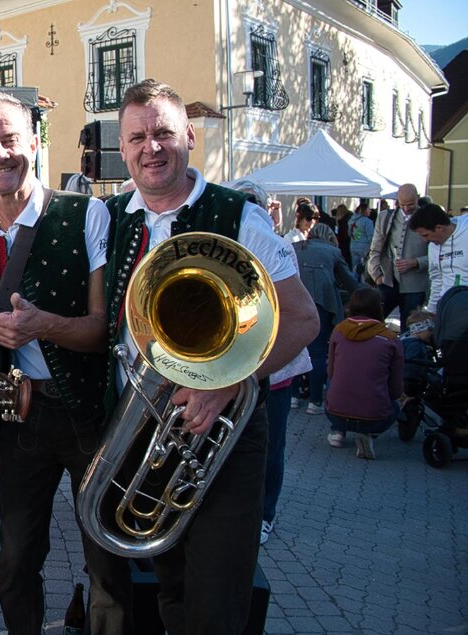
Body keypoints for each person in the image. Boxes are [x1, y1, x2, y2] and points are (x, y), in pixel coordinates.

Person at [98, 79, 317, 634]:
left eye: (164, 133)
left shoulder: (239, 216)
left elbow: (302, 320)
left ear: (189, 136)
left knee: (217, 602)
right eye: (137, 138)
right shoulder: (110, 216)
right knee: (170, 588)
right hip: (144, 433)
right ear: (122, 148)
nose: (151, 147)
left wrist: (227, 382)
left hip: (224, 436)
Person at [0, 91, 117, 634]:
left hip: (94, 415)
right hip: (21, 418)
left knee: (108, 564)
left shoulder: (85, 213)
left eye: (10, 139)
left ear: (35, 144)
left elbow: (103, 330)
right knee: (15, 563)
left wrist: (42, 325)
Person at [229, 180, 311, 546]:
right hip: (235, 363)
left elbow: (296, 313)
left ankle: (266, 514)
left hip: (275, 368)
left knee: (272, 446)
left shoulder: (277, 246)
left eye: (252, 204)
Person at [325, 287, 403, 459]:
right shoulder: (390, 338)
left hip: (335, 412)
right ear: (379, 307)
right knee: (395, 406)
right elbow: (396, 385)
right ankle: (368, 434)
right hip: (375, 416)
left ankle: (338, 431)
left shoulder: (339, 331)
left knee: (336, 378)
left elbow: (331, 371)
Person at [293, 223, 359, 415]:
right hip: (321, 302)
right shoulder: (333, 251)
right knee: (318, 352)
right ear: (330, 237)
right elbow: (350, 282)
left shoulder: (295, 247)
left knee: (295, 350)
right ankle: (315, 402)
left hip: (294, 301)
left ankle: (293, 397)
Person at [367, 183, 429, 322]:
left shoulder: (428, 218)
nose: (406, 209)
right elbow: (375, 248)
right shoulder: (385, 217)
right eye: (402, 205)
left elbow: (437, 256)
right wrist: (376, 275)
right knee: (373, 321)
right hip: (388, 281)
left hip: (416, 286)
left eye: (410, 204)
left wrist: (416, 262)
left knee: (410, 327)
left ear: (418, 198)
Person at [407, 203, 467, 312]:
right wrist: (431, 311)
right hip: (448, 308)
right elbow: (436, 280)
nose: (424, 240)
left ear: (439, 227)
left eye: (426, 235)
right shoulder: (433, 248)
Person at [348, 201, 375, 280]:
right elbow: (371, 236)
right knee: (364, 270)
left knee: (355, 268)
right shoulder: (367, 222)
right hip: (364, 249)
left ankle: (353, 283)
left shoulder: (351, 221)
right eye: (368, 209)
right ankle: (362, 285)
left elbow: (349, 234)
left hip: (353, 246)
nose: (370, 210)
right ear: (364, 210)